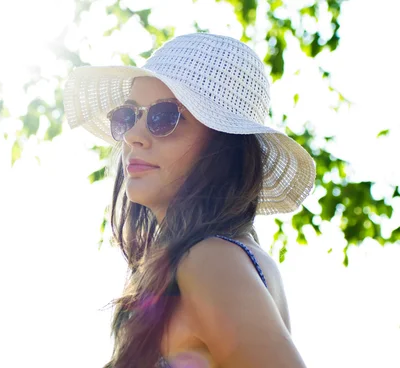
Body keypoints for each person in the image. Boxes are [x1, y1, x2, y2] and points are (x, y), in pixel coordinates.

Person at [63, 33, 315, 368]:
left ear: (223, 147)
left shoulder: (210, 259)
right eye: (129, 115)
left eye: (164, 117)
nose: (135, 136)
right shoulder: (227, 256)